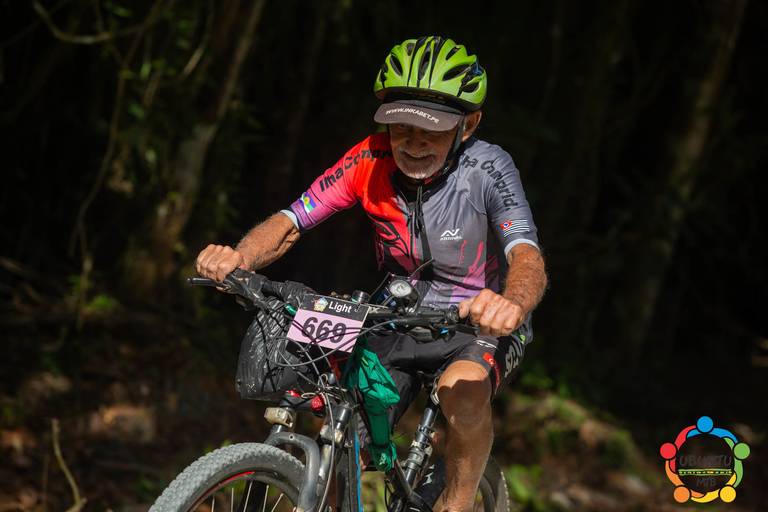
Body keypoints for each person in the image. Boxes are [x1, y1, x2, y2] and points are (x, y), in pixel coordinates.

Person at [196, 36, 547, 512]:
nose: (414, 143)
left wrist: (511, 303)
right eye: (401, 127)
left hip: (478, 319)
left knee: (461, 393)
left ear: (468, 125)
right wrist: (238, 258)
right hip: (398, 312)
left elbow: (526, 255)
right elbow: (292, 221)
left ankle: (457, 502)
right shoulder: (368, 158)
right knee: (341, 431)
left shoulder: (488, 167)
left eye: (432, 131)